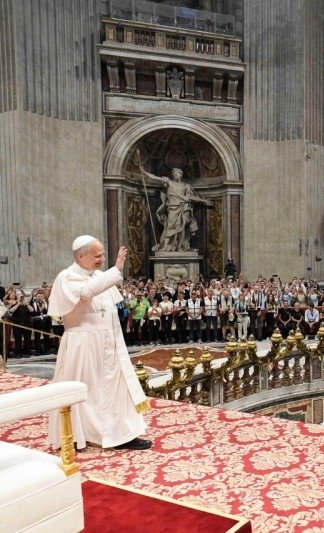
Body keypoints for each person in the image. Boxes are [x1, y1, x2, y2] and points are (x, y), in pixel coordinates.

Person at [47, 235, 151, 451]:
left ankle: (123, 435)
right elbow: (86, 294)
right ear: (80, 255)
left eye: (103, 255)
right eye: (97, 255)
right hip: (83, 346)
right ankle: (75, 435)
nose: (101, 259)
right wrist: (116, 269)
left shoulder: (99, 275)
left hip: (110, 344)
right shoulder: (66, 277)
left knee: (116, 389)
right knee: (84, 391)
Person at [139, 167, 213, 253]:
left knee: (182, 229)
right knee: (170, 226)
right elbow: (154, 177)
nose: (177, 175)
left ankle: (180, 247)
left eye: (178, 173)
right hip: (173, 208)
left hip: (183, 208)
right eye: (175, 173)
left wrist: (205, 201)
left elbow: (192, 197)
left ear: (181, 175)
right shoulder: (169, 182)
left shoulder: (186, 186)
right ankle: (165, 246)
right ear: (173, 175)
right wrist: (143, 171)